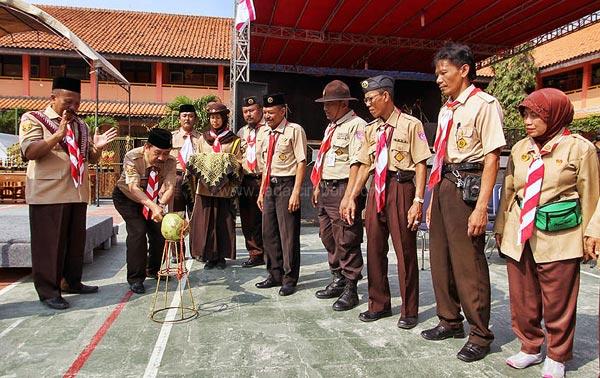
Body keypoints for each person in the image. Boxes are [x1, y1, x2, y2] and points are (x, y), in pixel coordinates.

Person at [494, 88, 599, 378]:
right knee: (522, 295)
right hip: (520, 230)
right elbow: (510, 191)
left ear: (555, 116)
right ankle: (530, 346)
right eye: (525, 115)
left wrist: (592, 233)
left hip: (558, 233)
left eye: (536, 115)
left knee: (558, 299)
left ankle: (557, 354)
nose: (528, 121)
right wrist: (502, 226)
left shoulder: (579, 148)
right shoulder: (520, 149)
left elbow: (591, 193)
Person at [422, 42, 505, 363]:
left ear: (464, 70)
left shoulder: (484, 105)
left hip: (468, 187)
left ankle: (480, 334)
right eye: (437, 74)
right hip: (443, 185)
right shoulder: (446, 109)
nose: (438, 80)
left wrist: (483, 206)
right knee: (441, 259)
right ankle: (449, 320)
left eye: (444, 73)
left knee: (468, 263)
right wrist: (431, 199)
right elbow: (439, 156)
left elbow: (492, 157)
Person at [19, 77, 117, 310]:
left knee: (74, 244)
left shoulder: (81, 125)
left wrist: (98, 148)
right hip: (49, 193)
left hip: (76, 191)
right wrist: (56, 135)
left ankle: (71, 281)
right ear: (53, 98)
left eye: (77, 103)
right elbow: (30, 151)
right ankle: (48, 291)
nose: (73, 107)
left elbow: (86, 157)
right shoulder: (34, 119)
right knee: (49, 246)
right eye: (68, 102)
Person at [341, 75, 431, 324]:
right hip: (375, 191)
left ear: (385, 96)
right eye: (366, 100)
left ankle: (409, 310)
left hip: (401, 188)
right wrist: (351, 196)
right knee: (374, 248)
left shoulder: (411, 124)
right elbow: (363, 165)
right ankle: (379, 303)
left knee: (405, 251)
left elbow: (422, 164)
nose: (368, 104)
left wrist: (418, 200)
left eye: (371, 99)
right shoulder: (370, 130)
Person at [310, 79, 368, 311]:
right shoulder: (331, 127)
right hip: (326, 188)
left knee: (347, 238)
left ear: (344, 103)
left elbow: (358, 163)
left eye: (330, 103)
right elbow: (323, 159)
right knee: (328, 236)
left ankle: (351, 287)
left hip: (344, 188)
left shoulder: (358, 125)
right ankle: (338, 278)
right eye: (324, 103)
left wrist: (350, 197)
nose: (325, 108)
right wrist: (316, 185)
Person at [112, 128, 177, 294]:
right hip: (127, 198)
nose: (162, 158)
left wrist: (160, 205)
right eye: (158, 153)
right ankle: (135, 278)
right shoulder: (132, 157)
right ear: (147, 147)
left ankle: (153, 269)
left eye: (166, 153)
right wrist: (153, 206)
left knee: (160, 233)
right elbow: (133, 187)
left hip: (154, 199)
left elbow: (170, 186)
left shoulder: (170, 161)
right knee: (138, 232)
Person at [256, 93, 307, 296]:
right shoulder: (265, 133)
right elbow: (265, 166)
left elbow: (301, 162)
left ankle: (289, 278)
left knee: (288, 235)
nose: (267, 116)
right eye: (265, 112)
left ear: (282, 111)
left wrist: (296, 192)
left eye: (271, 112)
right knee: (268, 233)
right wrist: (261, 191)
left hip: (287, 184)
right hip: (269, 185)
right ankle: (274, 273)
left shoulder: (294, 131)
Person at [189, 102, 241, 269]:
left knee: (223, 222)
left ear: (224, 118)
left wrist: (229, 165)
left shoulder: (233, 140)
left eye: (218, 117)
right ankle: (209, 256)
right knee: (206, 223)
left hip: (224, 189)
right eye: (212, 117)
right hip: (204, 189)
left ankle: (221, 257)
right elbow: (196, 159)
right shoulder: (202, 139)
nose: (215, 120)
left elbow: (239, 161)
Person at [168, 104, 201, 260]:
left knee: (195, 216)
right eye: (184, 115)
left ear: (195, 118)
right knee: (176, 216)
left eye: (191, 116)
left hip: (195, 180)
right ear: (179, 118)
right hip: (177, 179)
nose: (187, 118)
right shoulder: (172, 137)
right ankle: (178, 253)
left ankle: (197, 252)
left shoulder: (201, 138)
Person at [237, 96, 267, 267]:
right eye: (245, 112)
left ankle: (270, 252)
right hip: (247, 180)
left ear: (260, 110)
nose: (248, 114)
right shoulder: (242, 132)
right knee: (248, 219)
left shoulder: (268, 129)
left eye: (252, 110)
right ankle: (255, 253)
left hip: (264, 178)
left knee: (266, 218)